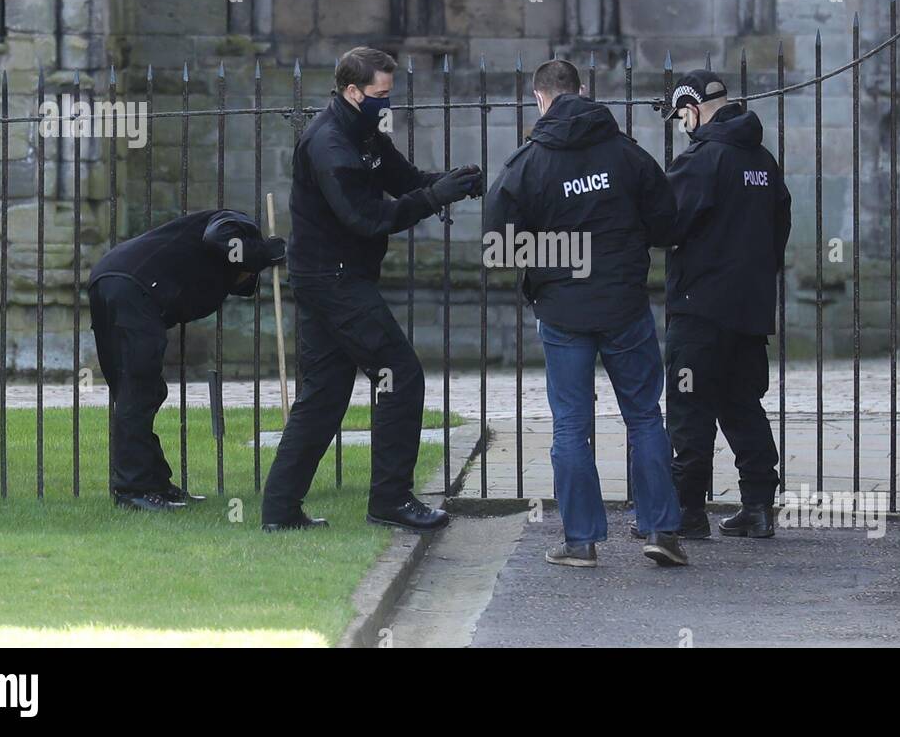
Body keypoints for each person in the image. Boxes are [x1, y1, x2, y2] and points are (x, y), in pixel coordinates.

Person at [261, 46, 483, 533]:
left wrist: (450, 182)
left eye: (390, 94)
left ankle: (279, 511)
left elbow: (403, 181)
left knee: (323, 394)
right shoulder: (330, 145)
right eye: (380, 95)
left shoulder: (362, 132)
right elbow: (367, 218)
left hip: (338, 276)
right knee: (400, 375)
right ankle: (390, 500)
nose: (387, 104)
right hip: (332, 278)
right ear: (352, 90)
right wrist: (432, 198)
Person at [484, 59, 687, 567]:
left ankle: (581, 541)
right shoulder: (627, 155)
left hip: (562, 311)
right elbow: (667, 225)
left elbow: (499, 248)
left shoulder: (526, 164)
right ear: (583, 91)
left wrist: (556, 261)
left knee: (571, 425)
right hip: (624, 305)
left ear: (539, 99)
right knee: (644, 416)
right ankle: (661, 529)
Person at [659, 69, 792, 538]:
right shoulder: (762, 159)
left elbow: (667, 224)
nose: (681, 125)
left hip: (700, 308)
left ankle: (687, 511)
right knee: (742, 405)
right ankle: (758, 506)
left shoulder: (703, 159)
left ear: (693, 109)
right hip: (749, 308)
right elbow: (780, 227)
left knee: (689, 408)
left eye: (680, 116)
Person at [88, 209, 286, 511]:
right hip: (131, 287)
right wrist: (264, 253)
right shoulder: (236, 223)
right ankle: (132, 490)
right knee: (138, 393)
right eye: (248, 270)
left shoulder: (218, 269)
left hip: (114, 282)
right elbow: (218, 237)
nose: (246, 275)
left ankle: (153, 482)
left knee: (141, 392)